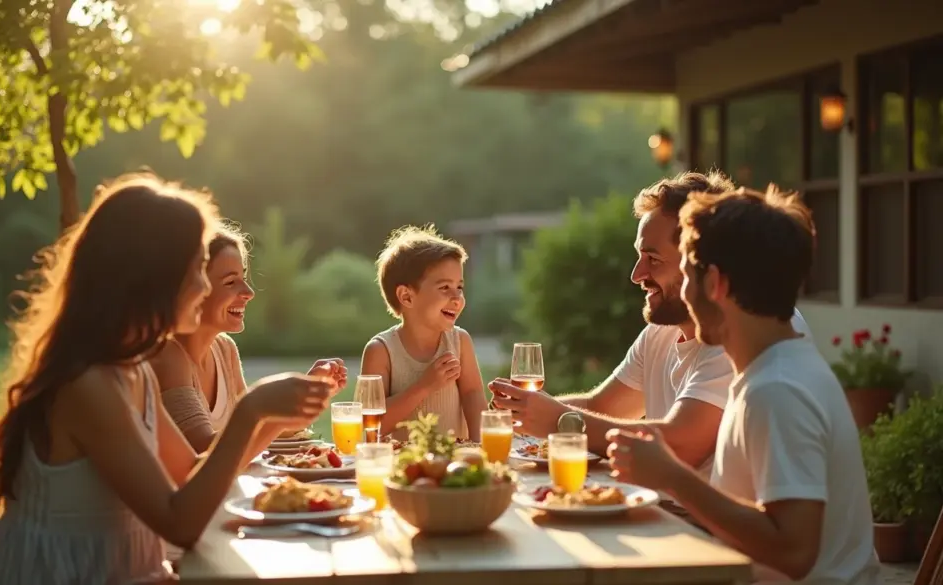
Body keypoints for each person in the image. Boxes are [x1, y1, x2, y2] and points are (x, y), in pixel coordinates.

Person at [0, 173, 335, 584]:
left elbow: (190, 473)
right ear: (152, 276)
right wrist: (250, 410)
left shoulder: (133, 370)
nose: (203, 285)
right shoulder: (88, 384)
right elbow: (179, 523)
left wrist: (274, 420)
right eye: (198, 268)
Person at [606, 186, 881, 585]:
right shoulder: (773, 369)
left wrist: (671, 476)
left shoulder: (777, 390)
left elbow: (793, 552)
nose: (683, 291)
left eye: (689, 275)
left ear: (714, 283)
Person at [490, 171, 813, 469]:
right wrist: (519, 413)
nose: (636, 275)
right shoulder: (664, 331)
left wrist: (561, 420)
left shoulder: (748, 335)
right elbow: (602, 406)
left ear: (706, 268)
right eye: (639, 256)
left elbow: (682, 445)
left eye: (653, 259)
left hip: (690, 525)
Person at [151, 223, 348, 454]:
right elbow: (206, 453)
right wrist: (256, 403)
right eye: (230, 282)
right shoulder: (169, 355)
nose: (249, 292)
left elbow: (249, 431)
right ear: (193, 287)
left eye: (244, 278)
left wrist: (303, 396)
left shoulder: (224, 349)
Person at [361, 225, 489, 440]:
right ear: (407, 297)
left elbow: (473, 396)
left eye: (460, 287)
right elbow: (372, 423)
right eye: (444, 288)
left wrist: (481, 448)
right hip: (401, 466)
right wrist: (425, 385)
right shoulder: (381, 351)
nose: (457, 298)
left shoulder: (460, 342)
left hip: (454, 463)